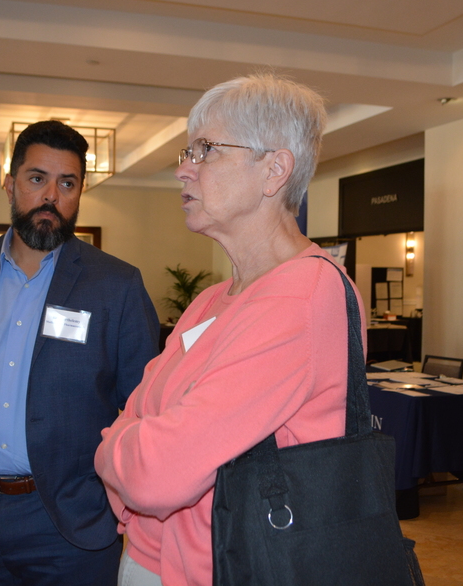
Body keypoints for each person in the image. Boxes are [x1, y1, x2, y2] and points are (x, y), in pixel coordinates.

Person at [95, 73, 364, 586]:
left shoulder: (302, 296)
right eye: (187, 152)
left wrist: (115, 450)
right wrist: (136, 446)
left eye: (206, 150)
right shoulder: (210, 301)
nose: (183, 170)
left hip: (225, 569)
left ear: (274, 170)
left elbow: (159, 474)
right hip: (157, 558)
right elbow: (136, 412)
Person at [0, 120, 160, 586]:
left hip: (68, 525)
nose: (51, 196)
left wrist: (111, 498)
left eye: (68, 183)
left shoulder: (116, 285)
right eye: (37, 178)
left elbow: (144, 408)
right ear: (10, 184)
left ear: (80, 192)